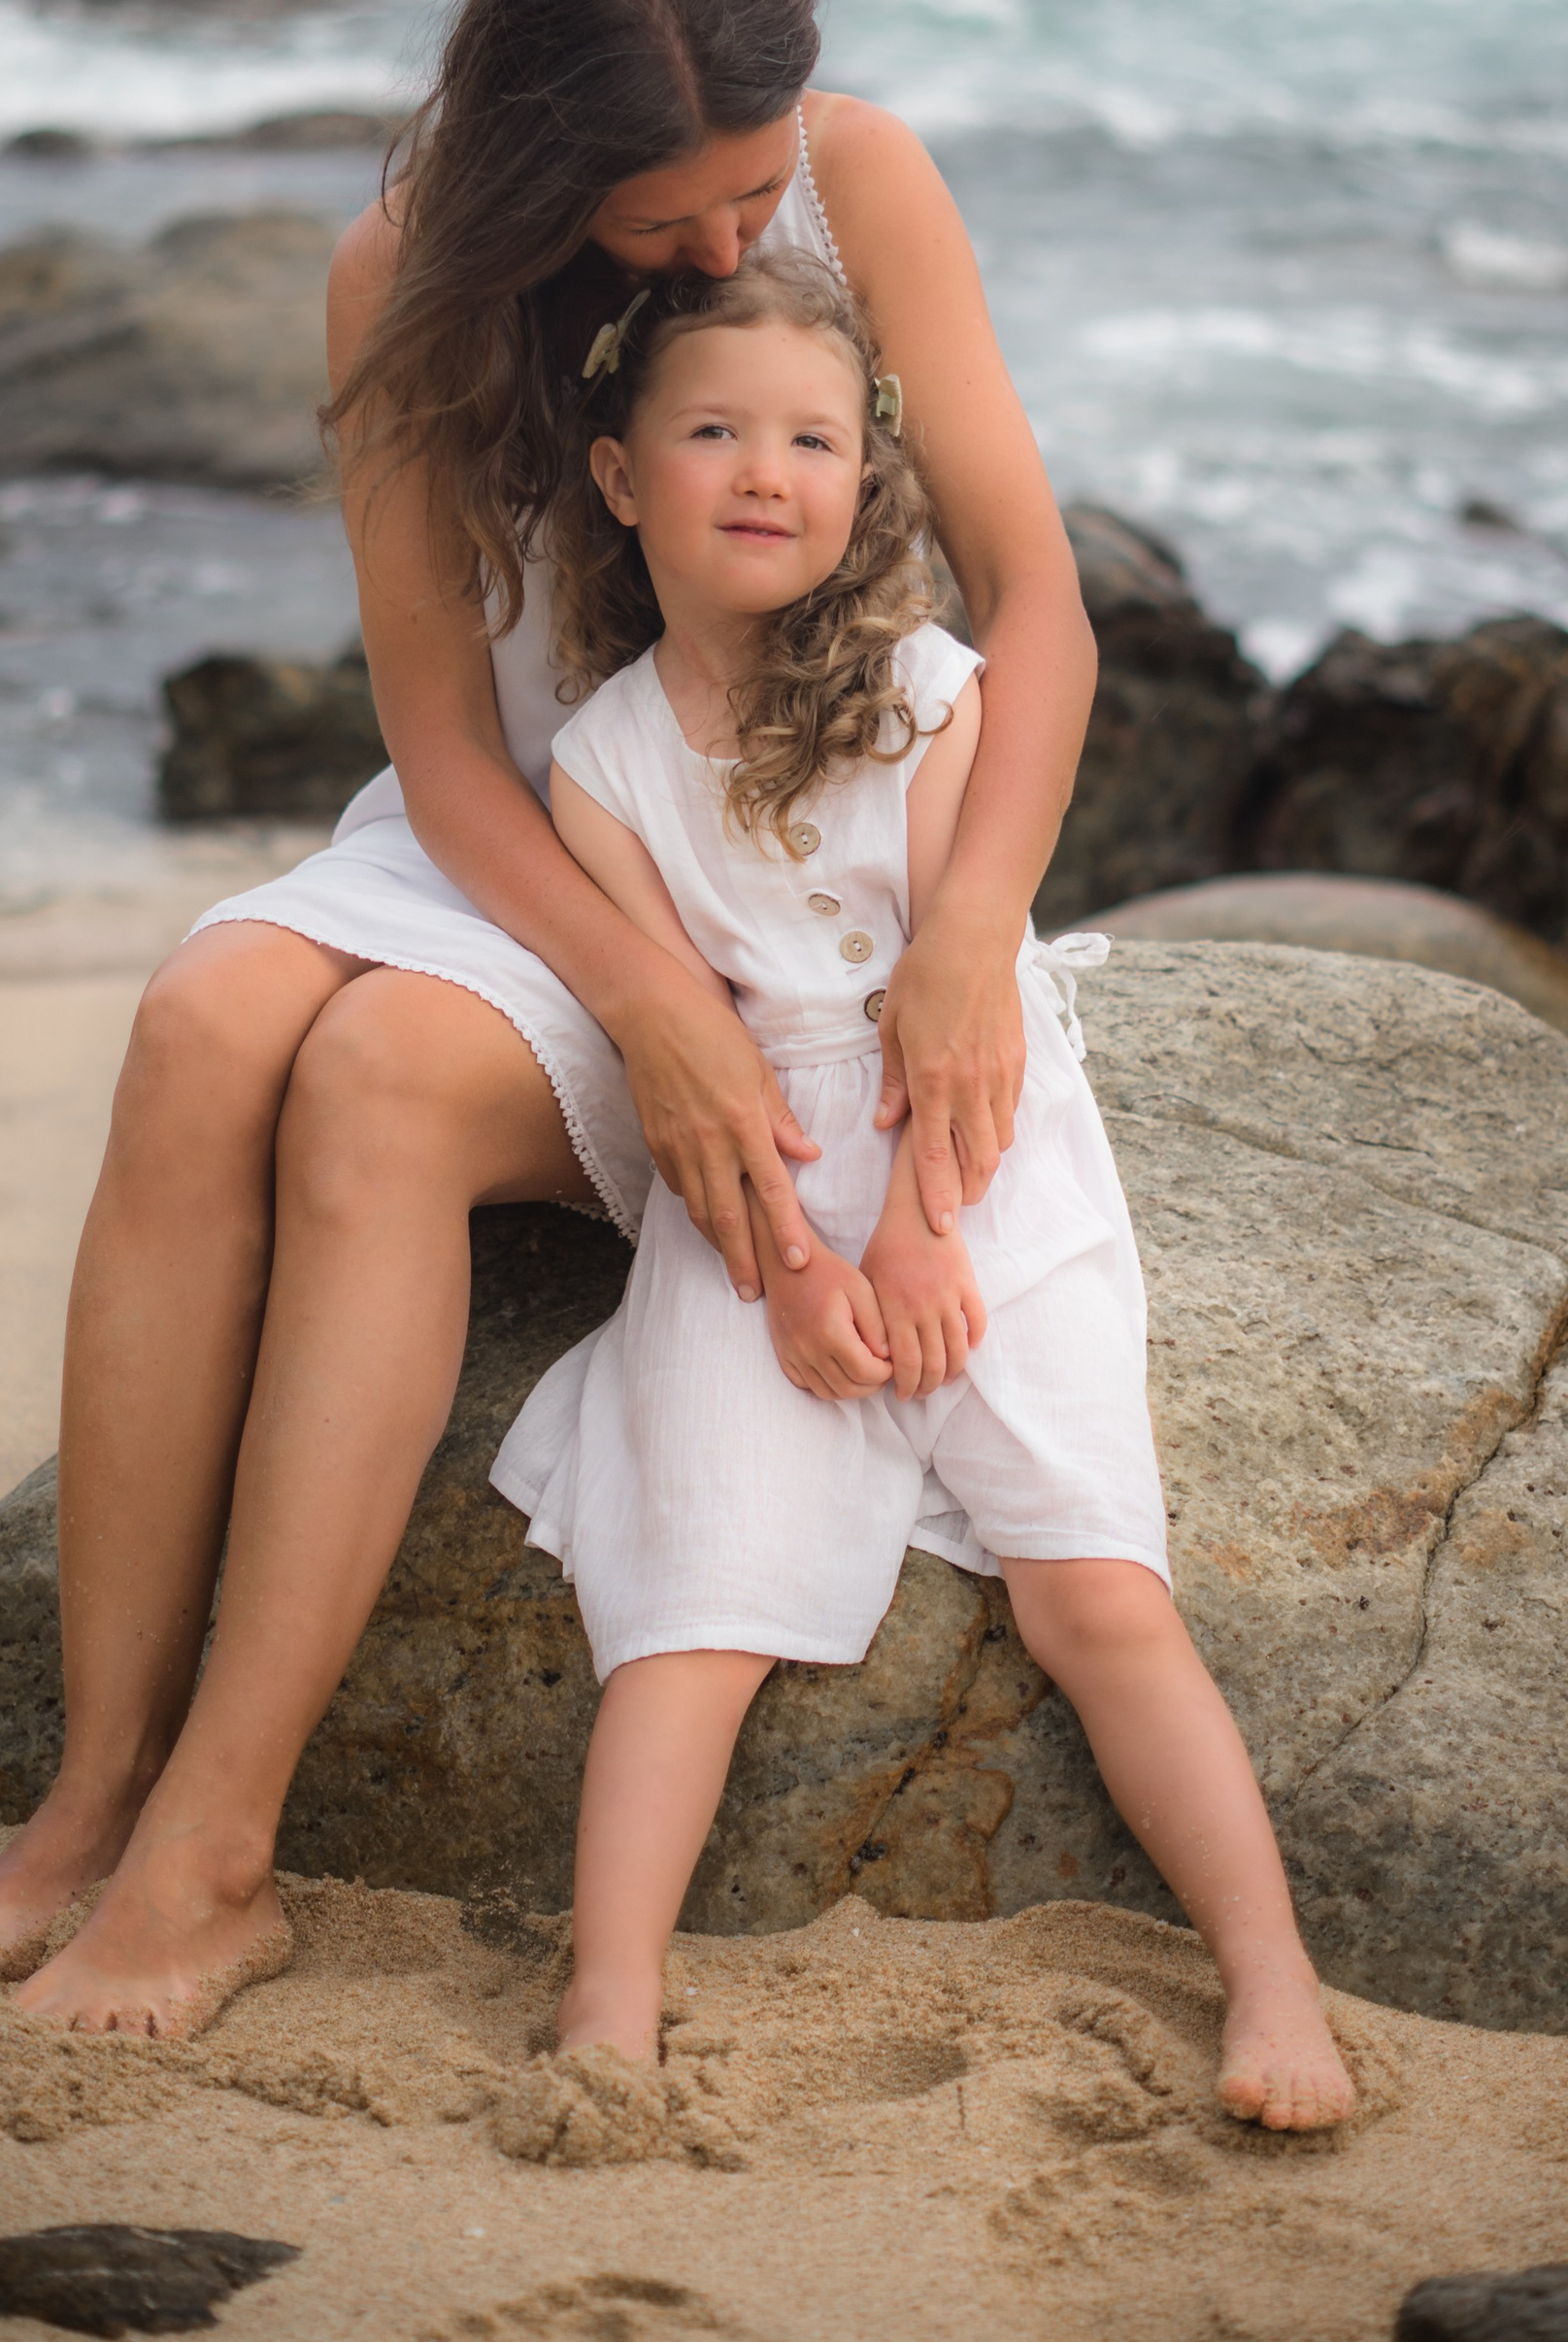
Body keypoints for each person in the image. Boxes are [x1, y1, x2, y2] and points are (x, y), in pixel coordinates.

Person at [0, 0, 1101, 2045]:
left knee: (364, 1084)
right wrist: (641, 1005)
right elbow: (442, 750)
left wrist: (973, 923)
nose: (731, 244)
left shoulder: (862, 180)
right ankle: (85, 1799)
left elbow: (1039, 603)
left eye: (748, 190)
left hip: (775, 862)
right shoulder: (396, 278)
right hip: (530, 844)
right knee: (203, 1017)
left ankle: (216, 1851)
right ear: (540, 167)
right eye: (669, 213)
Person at [487, 248, 1355, 2133]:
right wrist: (796, 1272)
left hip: (974, 1151)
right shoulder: (604, 768)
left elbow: (970, 1018)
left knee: (1093, 1593)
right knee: (688, 1603)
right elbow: (693, 1065)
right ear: (622, 477)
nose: (761, 469)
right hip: (760, 1184)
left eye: (807, 437)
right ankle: (608, 1997)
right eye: (711, 429)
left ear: (857, 479)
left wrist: (919, 1231)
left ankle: (1270, 1981)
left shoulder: (928, 693)